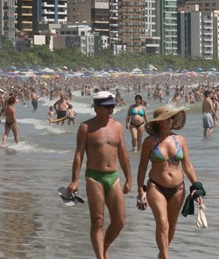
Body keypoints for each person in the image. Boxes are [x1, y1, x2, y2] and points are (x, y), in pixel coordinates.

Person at [67, 91, 131, 259]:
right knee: (98, 221)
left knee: (119, 221)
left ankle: (104, 247)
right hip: (94, 177)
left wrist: (129, 179)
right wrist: (74, 180)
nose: (110, 109)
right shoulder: (86, 127)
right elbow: (79, 154)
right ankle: (100, 257)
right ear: (96, 108)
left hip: (114, 176)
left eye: (112, 106)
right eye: (107, 107)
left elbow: (123, 154)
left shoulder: (117, 127)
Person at [136, 106, 201, 259]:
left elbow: (188, 165)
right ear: (158, 122)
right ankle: (165, 257)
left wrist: (197, 187)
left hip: (178, 189)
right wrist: (140, 190)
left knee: (171, 227)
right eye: (166, 119)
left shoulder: (180, 140)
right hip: (155, 187)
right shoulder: (149, 142)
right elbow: (142, 167)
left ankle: (161, 255)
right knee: (162, 223)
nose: (169, 121)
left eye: (171, 118)